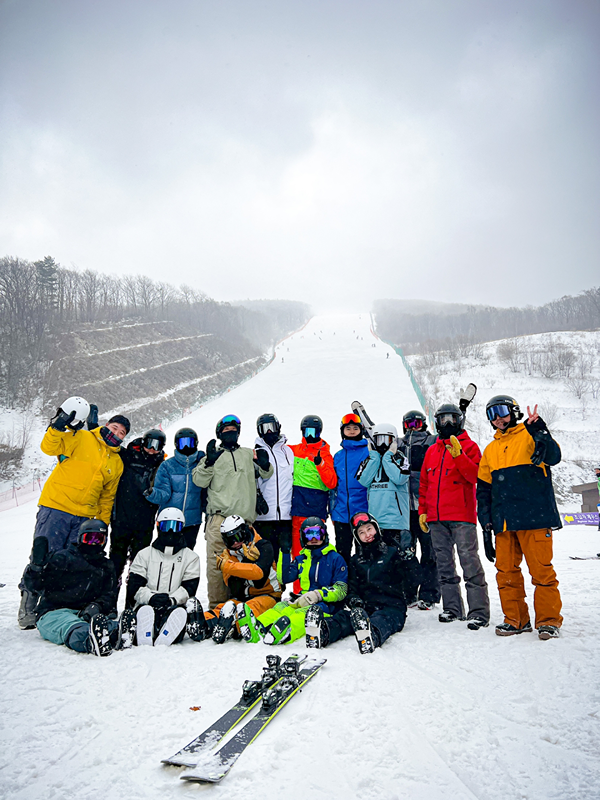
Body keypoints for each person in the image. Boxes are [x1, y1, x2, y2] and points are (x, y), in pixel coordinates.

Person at [18, 398, 128, 629]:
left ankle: (54, 605)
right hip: (57, 506)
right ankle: (28, 604)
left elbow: (107, 497)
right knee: (43, 555)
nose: (117, 433)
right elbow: (50, 447)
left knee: (71, 563)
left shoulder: (116, 462)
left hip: (85, 517)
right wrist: (57, 426)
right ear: (106, 425)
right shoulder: (83, 438)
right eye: (114, 427)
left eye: (122, 432)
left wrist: (101, 524)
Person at [477, 396, 563, 640]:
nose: (498, 418)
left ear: (513, 411)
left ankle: (548, 621)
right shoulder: (491, 449)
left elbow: (554, 457)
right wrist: (486, 524)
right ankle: (516, 620)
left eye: (502, 411)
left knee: (542, 573)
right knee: (506, 573)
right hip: (504, 522)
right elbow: (483, 490)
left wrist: (541, 431)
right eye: (491, 414)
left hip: (534, 519)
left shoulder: (530, 434)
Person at [419, 403, 490, 629]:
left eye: (451, 418)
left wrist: (459, 455)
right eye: (442, 419)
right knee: (444, 565)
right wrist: (423, 511)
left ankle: (478, 611)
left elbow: (474, 476)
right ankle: (452, 608)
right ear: (437, 423)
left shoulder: (470, 447)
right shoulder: (432, 450)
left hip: (462, 516)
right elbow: (424, 484)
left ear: (459, 420)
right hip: (437, 518)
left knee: (470, 562)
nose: (447, 423)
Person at [192, 415, 273, 609]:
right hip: (219, 517)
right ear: (219, 433)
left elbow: (266, 473)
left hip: (244, 521)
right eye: (226, 430)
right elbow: (198, 481)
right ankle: (218, 608)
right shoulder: (212, 456)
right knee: (218, 564)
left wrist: (263, 463)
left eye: (233, 429)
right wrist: (208, 463)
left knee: (246, 562)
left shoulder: (247, 454)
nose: (230, 433)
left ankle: (241, 604)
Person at [22, 519, 133, 656]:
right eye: (89, 539)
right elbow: (34, 585)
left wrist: (96, 606)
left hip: (85, 613)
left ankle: (119, 634)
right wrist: (35, 568)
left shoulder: (105, 566)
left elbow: (109, 594)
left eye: (99, 540)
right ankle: (90, 641)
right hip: (54, 612)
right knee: (72, 626)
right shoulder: (62, 558)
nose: (94, 544)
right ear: (80, 538)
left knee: (103, 624)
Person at [305, 512, 407, 653]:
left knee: (382, 620)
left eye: (369, 529)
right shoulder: (356, 561)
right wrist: (354, 600)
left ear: (376, 528)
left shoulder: (392, 554)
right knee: (345, 618)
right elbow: (351, 587)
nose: (367, 534)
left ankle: (371, 636)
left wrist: (408, 559)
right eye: (361, 532)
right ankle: (322, 632)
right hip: (366, 608)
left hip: (391, 607)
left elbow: (413, 579)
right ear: (357, 538)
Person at [246, 517, 348, 645]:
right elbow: (284, 578)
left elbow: (341, 589)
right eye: (309, 535)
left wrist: (318, 595)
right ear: (303, 538)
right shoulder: (302, 558)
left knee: (301, 615)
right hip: (300, 599)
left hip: (324, 605)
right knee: (280, 608)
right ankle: (258, 627)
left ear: (324, 535)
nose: (314, 539)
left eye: (317, 533)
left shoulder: (335, 558)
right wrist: (284, 552)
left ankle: (286, 631)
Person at [356, 422, 421, 604]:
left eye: (387, 439)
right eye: (379, 440)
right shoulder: (370, 460)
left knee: (401, 558)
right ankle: (381, 592)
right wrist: (375, 457)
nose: (383, 444)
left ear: (394, 441)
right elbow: (363, 479)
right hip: (376, 522)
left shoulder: (400, 458)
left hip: (396, 521)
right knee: (379, 560)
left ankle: (408, 593)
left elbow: (400, 477)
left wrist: (388, 457)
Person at [126, 508, 202, 646]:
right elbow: (134, 586)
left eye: (175, 526)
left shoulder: (191, 558)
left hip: (173, 605)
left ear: (182, 528)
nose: (170, 531)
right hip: (147, 603)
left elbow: (189, 588)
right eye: (166, 526)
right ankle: (145, 632)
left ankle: (167, 633)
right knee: (145, 610)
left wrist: (172, 600)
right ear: (158, 527)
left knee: (178, 613)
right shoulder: (144, 554)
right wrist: (151, 597)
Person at [202, 515, 282, 643]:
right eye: (229, 540)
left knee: (248, 609)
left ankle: (233, 627)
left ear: (245, 532)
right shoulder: (227, 555)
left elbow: (259, 578)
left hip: (269, 595)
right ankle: (203, 623)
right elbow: (235, 587)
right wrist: (243, 565)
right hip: (242, 597)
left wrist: (231, 566)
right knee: (223, 608)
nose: (235, 543)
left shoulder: (263, 546)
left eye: (237, 537)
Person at [110, 428, 166, 585]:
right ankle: (109, 601)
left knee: (139, 565)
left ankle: (133, 603)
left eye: (158, 446)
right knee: (115, 562)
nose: (152, 449)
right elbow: (110, 450)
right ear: (143, 442)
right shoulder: (128, 456)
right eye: (150, 444)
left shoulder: (160, 464)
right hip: (122, 518)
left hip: (144, 521)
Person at [289, 415, 337, 589]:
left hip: (315, 511)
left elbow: (331, 482)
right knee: (298, 553)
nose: (310, 435)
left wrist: (320, 463)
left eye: (314, 431)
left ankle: (315, 589)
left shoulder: (325, 454)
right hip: (297, 510)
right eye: (307, 431)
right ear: (302, 431)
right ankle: (298, 591)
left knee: (316, 552)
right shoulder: (294, 450)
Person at [399, 410, 440, 610]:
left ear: (423, 424)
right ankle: (408, 591)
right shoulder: (399, 444)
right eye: (408, 423)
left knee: (430, 551)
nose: (412, 427)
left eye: (416, 423)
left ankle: (429, 593)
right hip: (405, 508)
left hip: (425, 506)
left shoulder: (431, 441)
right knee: (406, 551)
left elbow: (448, 438)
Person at [145, 427, 206, 551]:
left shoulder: (201, 464)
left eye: (190, 443)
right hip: (169, 520)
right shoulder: (167, 465)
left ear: (196, 444)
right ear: (176, 444)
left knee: (186, 555)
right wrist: (152, 493)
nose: (186, 447)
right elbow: (164, 493)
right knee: (165, 554)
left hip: (191, 521)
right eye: (182, 443)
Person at [253, 413, 294, 562]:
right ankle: (266, 586)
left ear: (278, 427)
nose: (269, 432)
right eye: (264, 428)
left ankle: (281, 585)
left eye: (271, 427)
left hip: (285, 516)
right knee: (264, 558)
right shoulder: (255, 453)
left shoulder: (288, 452)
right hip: (264, 517)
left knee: (283, 559)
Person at [331, 413, 369, 566]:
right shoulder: (339, 456)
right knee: (342, 552)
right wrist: (332, 510)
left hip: (363, 511)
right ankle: (343, 586)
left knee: (364, 553)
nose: (352, 431)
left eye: (355, 428)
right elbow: (333, 486)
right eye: (348, 428)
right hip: (341, 513)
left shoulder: (368, 452)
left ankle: (363, 588)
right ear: (342, 431)